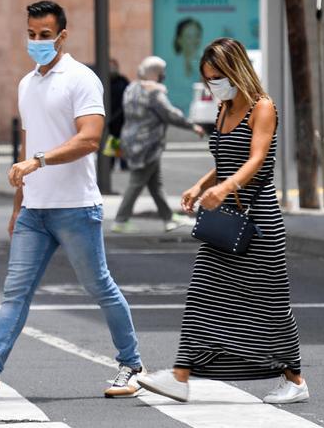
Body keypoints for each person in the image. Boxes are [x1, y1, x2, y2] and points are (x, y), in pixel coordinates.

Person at [0, 0, 145, 401]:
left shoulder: (81, 79)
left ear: (62, 35)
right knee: (15, 292)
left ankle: (133, 365)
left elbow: (89, 139)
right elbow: (27, 142)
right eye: (31, 34)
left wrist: (39, 161)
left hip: (75, 207)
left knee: (98, 285)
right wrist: (18, 205)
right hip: (35, 210)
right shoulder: (26, 83)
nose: (36, 42)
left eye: (45, 35)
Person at [137, 38, 308, 404]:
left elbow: (257, 159)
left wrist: (227, 186)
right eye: (209, 78)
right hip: (228, 218)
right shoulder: (224, 109)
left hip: (259, 219)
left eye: (218, 76)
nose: (214, 84)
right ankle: (181, 374)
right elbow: (227, 158)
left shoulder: (262, 107)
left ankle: (294, 377)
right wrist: (201, 185)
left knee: (271, 302)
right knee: (204, 291)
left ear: (237, 70)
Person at [112, 56, 205, 233]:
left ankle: (168, 218)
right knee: (137, 182)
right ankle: (120, 220)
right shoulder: (154, 93)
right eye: (162, 72)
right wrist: (192, 126)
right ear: (155, 73)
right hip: (148, 145)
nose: (164, 76)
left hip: (131, 142)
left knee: (155, 184)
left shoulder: (131, 88)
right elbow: (170, 114)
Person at [108, 58, 130, 171]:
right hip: (110, 118)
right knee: (113, 141)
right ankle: (111, 163)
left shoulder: (123, 81)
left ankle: (124, 163)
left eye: (113, 66)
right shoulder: (104, 81)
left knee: (123, 141)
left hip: (122, 117)